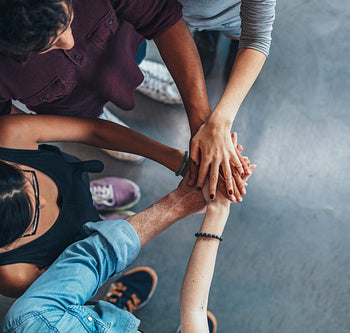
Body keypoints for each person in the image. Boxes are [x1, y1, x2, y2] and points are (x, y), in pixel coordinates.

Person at [0, 0, 248, 201]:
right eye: (48, 45)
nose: (70, 42)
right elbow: (69, 129)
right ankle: (104, 113)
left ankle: (138, 74)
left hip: (123, 46)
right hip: (71, 109)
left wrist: (201, 125)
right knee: (85, 117)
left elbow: (160, 18)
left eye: (69, 19)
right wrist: (179, 161)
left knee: (133, 61)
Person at [0, 114, 249, 298]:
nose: (43, 200)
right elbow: (88, 267)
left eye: (28, 181)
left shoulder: (9, 135)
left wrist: (180, 162)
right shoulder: (15, 274)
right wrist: (179, 204)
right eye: (31, 219)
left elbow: (93, 130)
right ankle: (101, 227)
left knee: (81, 195)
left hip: (73, 181)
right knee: (100, 239)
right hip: (77, 244)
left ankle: (94, 201)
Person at [2, 163, 253, 332]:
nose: (42, 202)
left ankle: (113, 311)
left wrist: (215, 210)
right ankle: (114, 312)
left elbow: (194, 310)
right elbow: (193, 310)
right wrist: (217, 208)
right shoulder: (31, 319)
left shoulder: (34, 320)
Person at [137, 0, 276, 197]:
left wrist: (219, 122)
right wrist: (203, 124)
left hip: (233, 18)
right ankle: (207, 39)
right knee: (200, 40)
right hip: (183, 18)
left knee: (238, 37)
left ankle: (231, 45)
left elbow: (256, 37)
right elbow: (162, 16)